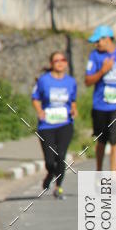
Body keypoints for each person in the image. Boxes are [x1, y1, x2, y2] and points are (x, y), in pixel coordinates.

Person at [84, 24, 116, 189]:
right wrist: (103, 71)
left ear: (107, 39)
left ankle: (113, 177)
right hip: (100, 106)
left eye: (98, 40)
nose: (96, 44)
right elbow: (88, 81)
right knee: (101, 141)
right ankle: (98, 171)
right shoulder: (94, 56)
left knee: (115, 140)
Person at [31, 51, 77, 199]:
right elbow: (35, 98)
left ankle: (58, 187)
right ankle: (50, 173)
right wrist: (39, 111)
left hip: (65, 124)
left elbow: (73, 100)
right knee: (50, 161)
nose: (60, 62)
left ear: (66, 63)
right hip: (47, 126)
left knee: (61, 156)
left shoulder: (71, 81)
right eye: (56, 60)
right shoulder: (43, 80)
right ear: (51, 64)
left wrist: (74, 110)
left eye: (62, 60)